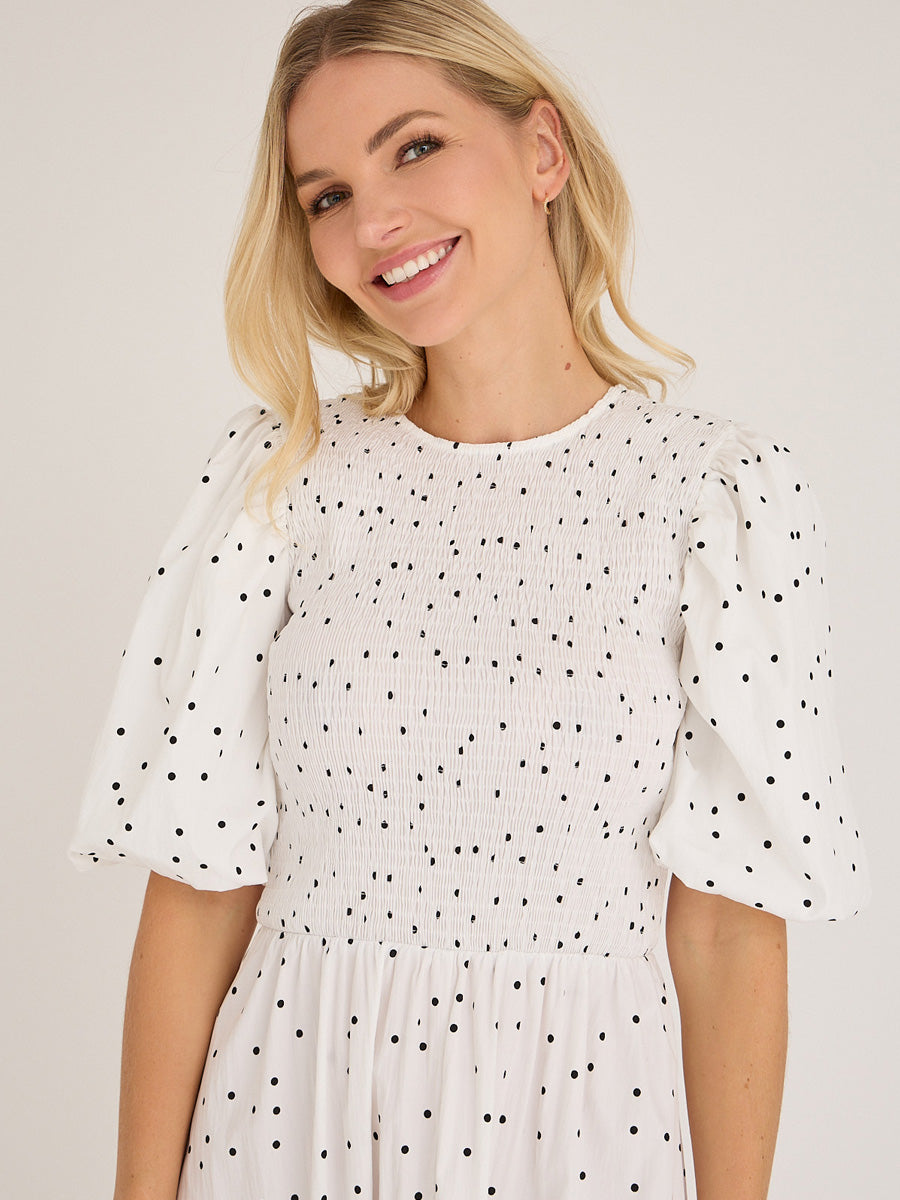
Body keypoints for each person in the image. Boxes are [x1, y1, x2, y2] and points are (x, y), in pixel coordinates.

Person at [68, 1, 872, 1198]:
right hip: (289, 1118)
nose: (373, 221)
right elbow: (199, 885)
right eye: (326, 196)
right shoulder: (282, 479)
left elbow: (726, 928)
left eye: (416, 146)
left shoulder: (710, 495)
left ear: (543, 151)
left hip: (580, 1134)